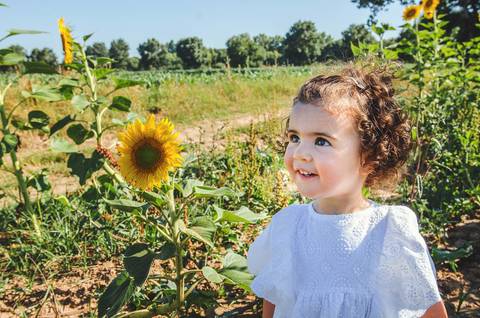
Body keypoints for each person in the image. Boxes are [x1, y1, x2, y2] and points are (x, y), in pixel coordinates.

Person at [246, 65, 448, 318]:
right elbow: (276, 301)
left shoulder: (389, 230)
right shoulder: (286, 226)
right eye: (295, 137)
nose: (300, 153)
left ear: (370, 155)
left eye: (321, 141)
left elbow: (429, 309)